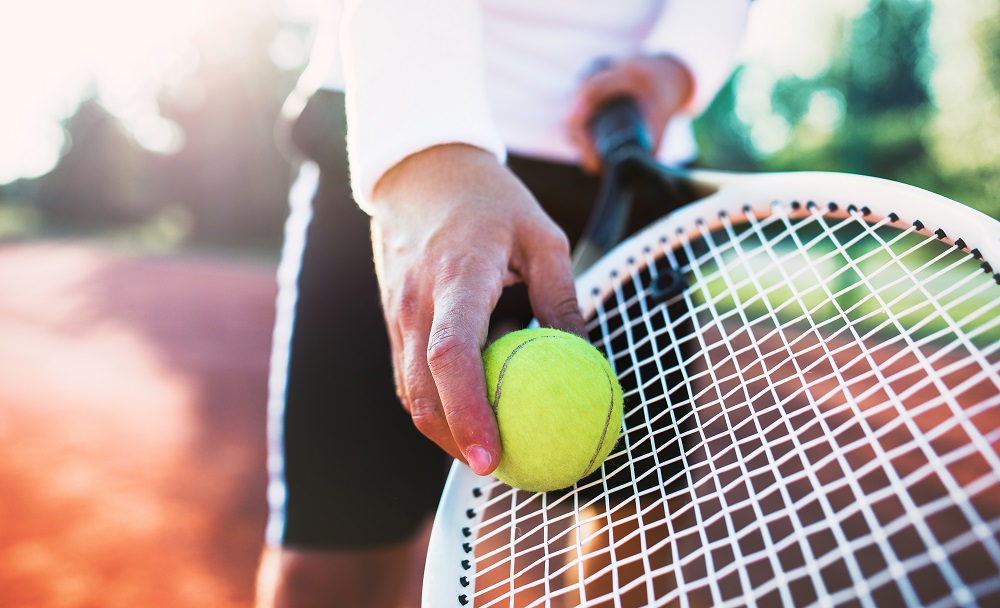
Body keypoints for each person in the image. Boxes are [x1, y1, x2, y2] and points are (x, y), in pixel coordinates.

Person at [255, 2, 751, 606]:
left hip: (629, 164)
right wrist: (429, 148)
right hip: (397, 130)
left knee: (631, 565)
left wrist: (678, 64)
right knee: (328, 564)